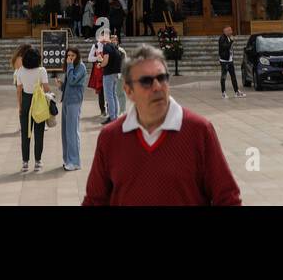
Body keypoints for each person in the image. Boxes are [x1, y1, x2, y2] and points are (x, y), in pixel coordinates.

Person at [83, 45, 241, 206]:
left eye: (162, 78)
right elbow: (95, 201)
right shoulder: (111, 137)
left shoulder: (199, 130)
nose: (157, 87)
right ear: (128, 90)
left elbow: (228, 198)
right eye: (146, 81)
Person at [14, 45, 51, 173]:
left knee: (25, 134)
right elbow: (46, 88)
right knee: (39, 133)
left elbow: (18, 91)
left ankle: (25, 163)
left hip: (25, 101)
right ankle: (38, 162)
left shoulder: (20, 71)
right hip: (38, 102)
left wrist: (20, 106)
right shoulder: (42, 70)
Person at [60, 47, 87, 171]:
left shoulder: (80, 67)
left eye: (72, 55)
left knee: (72, 132)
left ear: (77, 56)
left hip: (74, 102)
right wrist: (61, 86)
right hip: (66, 101)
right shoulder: (70, 67)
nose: (70, 58)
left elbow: (72, 80)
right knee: (65, 132)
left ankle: (75, 162)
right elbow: (68, 85)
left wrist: (70, 65)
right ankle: (67, 159)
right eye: (68, 55)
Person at [218, 26, 245, 98]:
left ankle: (237, 92)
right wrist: (232, 41)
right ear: (225, 31)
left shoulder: (228, 37)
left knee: (233, 76)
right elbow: (225, 47)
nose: (231, 31)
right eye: (229, 30)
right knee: (223, 77)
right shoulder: (222, 38)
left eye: (231, 30)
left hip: (230, 60)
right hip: (224, 61)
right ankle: (223, 93)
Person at [100, 32, 122, 121]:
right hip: (116, 73)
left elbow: (105, 61)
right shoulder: (115, 47)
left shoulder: (106, 47)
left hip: (108, 73)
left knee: (109, 96)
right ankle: (115, 116)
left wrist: (100, 65)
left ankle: (112, 117)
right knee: (114, 95)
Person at [86, 33, 107, 119]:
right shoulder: (95, 46)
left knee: (109, 92)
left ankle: (110, 110)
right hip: (98, 71)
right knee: (101, 91)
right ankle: (102, 110)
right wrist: (97, 58)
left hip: (107, 70)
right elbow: (89, 58)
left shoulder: (108, 46)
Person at [111, 33, 128, 118]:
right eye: (112, 40)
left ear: (117, 41)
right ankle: (113, 111)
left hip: (119, 74)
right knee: (112, 94)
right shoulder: (108, 50)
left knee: (120, 92)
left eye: (114, 40)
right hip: (111, 75)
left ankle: (122, 110)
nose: (113, 41)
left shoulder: (121, 51)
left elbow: (124, 63)